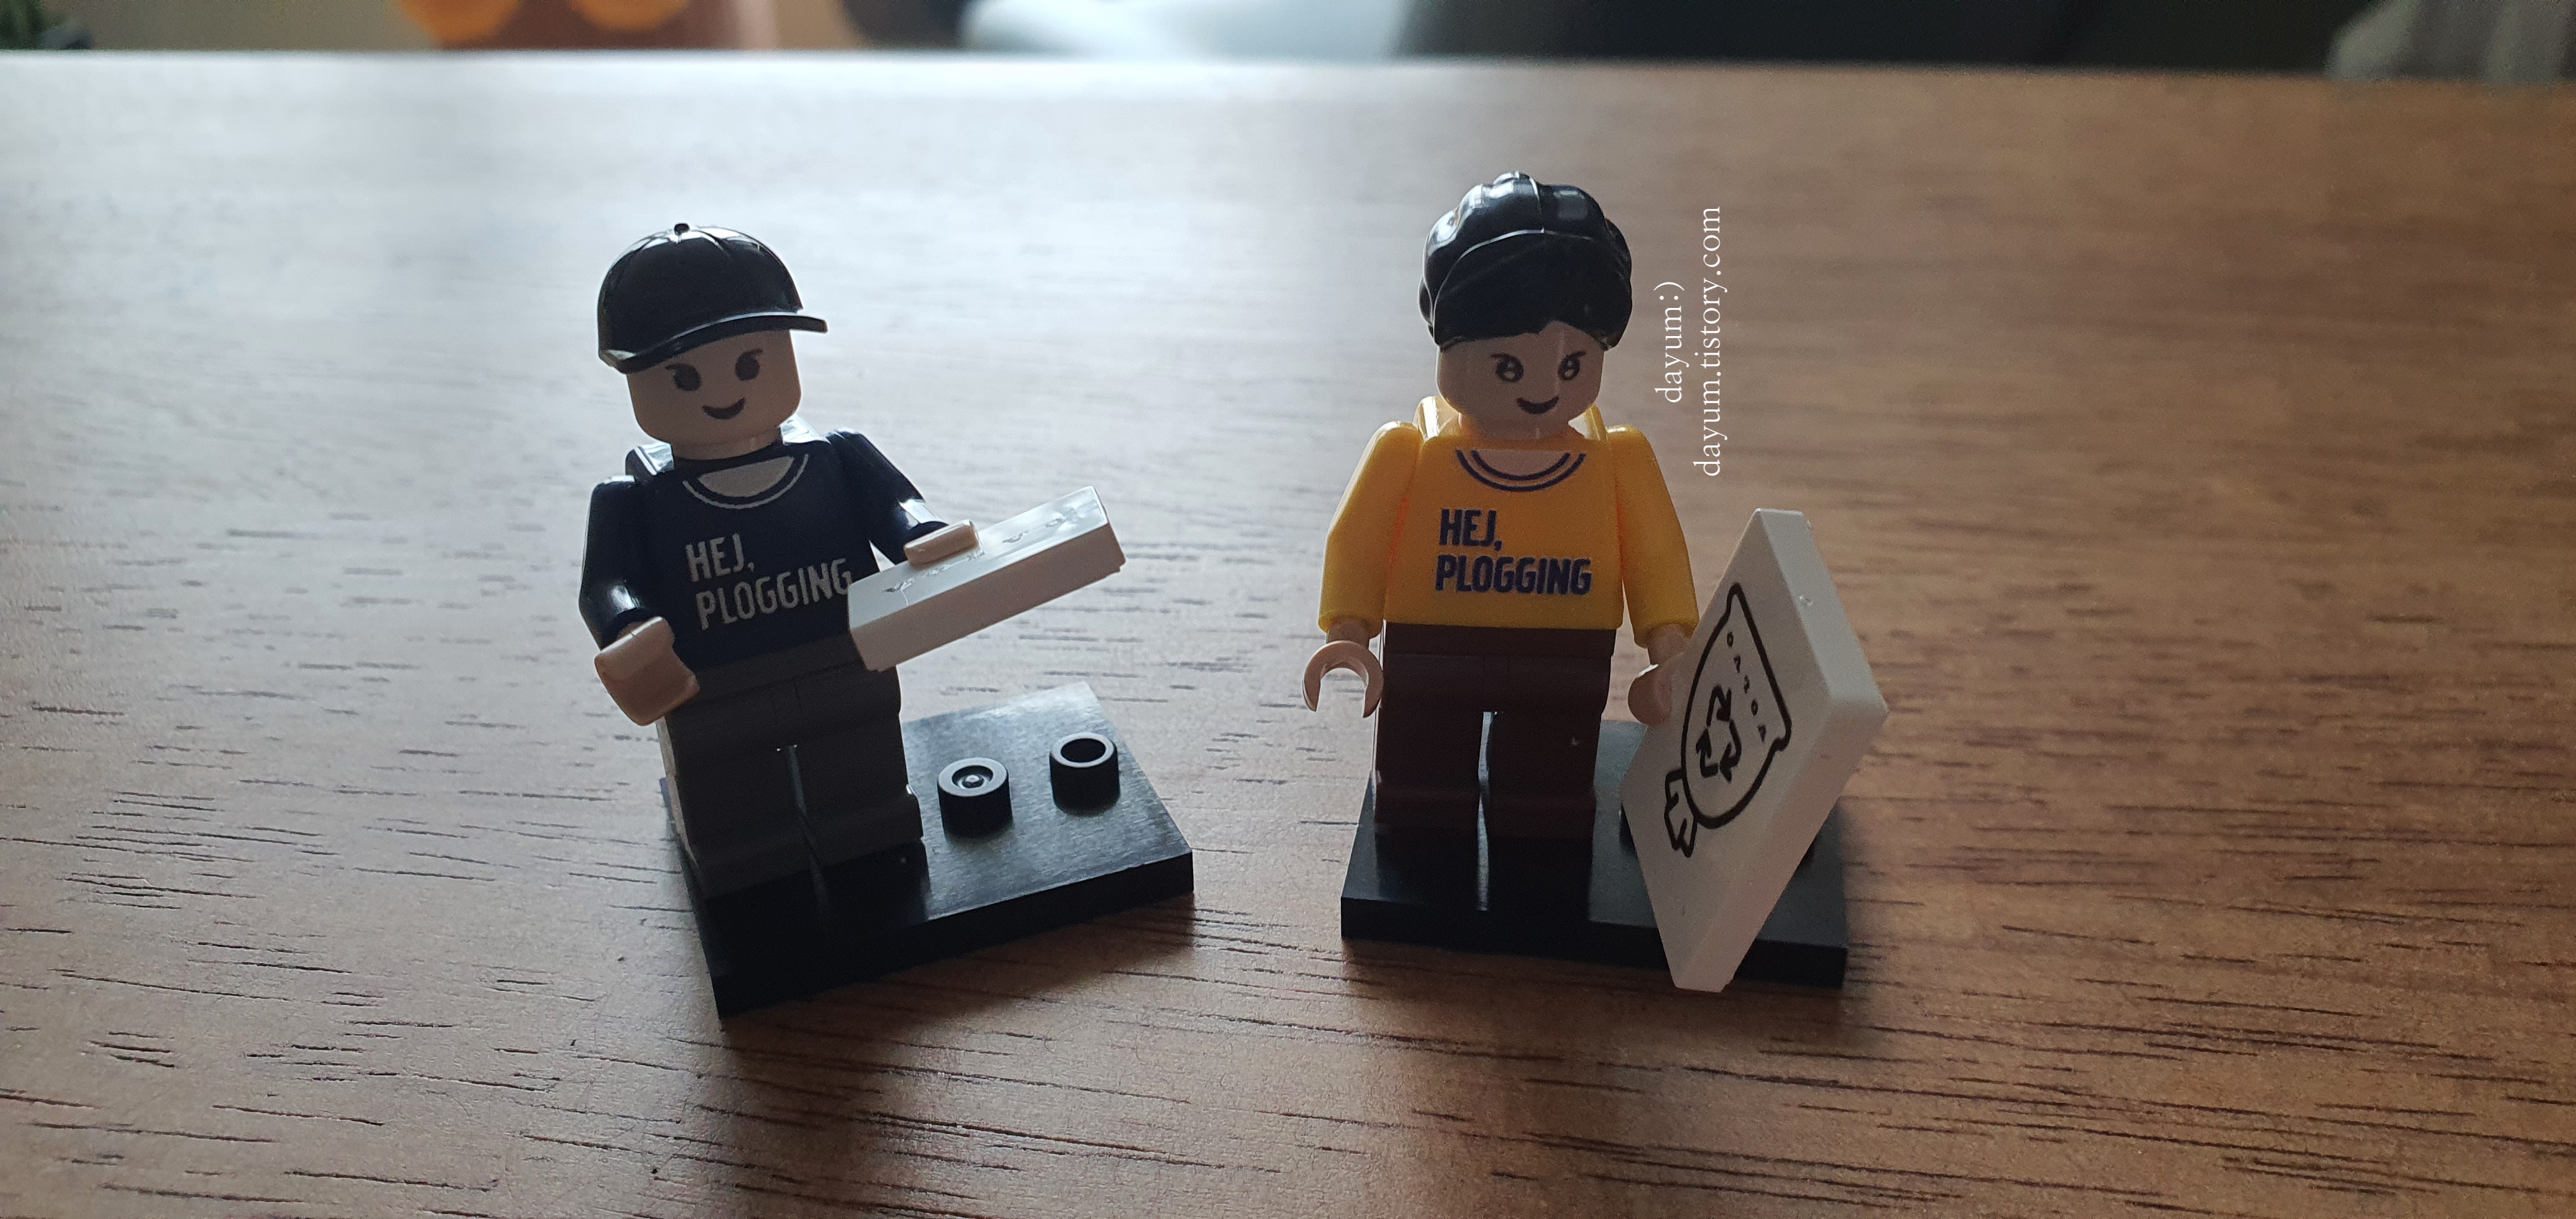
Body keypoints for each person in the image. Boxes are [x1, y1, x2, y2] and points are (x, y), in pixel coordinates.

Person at [1304, 174, 1698, 906]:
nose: (1542, 389)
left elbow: (1655, 555)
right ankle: (1422, 828)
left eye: (1572, 365)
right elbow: (1356, 542)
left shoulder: (1618, 459)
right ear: (1450, 346)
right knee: (1423, 770)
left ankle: (1540, 829)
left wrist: (1669, 642)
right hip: (1433, 644)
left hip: (1566, 652)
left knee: (1547, 777)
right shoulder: (1409, 452)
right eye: (1508, 367)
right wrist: (1351, 632)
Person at [578, 224, 972, 899]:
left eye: (749, 364)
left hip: (846, 654)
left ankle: (869, 824)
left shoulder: (835, 455)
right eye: (683, 377)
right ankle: (743, 856)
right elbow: (606, 584)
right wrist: (629, 626)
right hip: (710, 684)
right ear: (635, 379)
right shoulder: (633, 500)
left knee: (858, 758)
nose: (721, 392)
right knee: (729, 785)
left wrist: (923, 533)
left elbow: (897, 506)